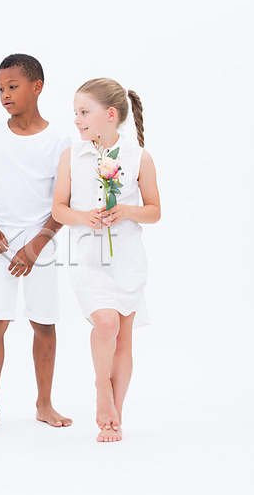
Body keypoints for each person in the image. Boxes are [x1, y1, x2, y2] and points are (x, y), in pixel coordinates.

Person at [0, 54, 72, 433]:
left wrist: (38, 243)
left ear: (37, 87)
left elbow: (64, 202)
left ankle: (44, 404)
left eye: (12, 87)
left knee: (44, 323)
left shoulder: (59, 143)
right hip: (0, 241)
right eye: (0, 89)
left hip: (42, 241)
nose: (4, 94)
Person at [52, 78, 161, 442]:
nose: (77, 120)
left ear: (110, 115)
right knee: (106, 324)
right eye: (76, 113)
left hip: (128, 260)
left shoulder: (139, 158)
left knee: (124, 338)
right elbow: (59, 209)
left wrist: (127, 210)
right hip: (88, 259)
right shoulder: (72, 156)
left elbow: (154, 210)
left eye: (84, 112)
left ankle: (115, 415)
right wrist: (84, 217)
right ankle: (102, 388)